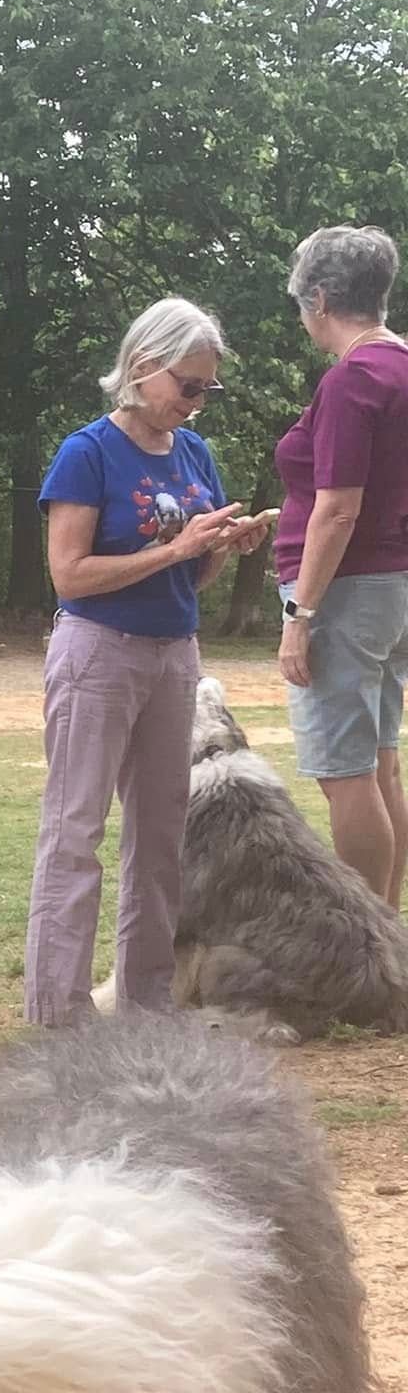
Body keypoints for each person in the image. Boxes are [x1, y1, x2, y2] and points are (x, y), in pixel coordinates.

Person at [23, 298, 272, 1027]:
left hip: (174, 654)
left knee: (162, 837)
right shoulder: (87, 452)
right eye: (187, 386)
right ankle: (59, 1013)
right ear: (140, 367)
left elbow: (186, 579)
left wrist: (221, 549)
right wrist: (175, 547)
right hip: (98, 652)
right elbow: (69, 575)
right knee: (76, 832)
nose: (196, 403)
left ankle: (147, 1002)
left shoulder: (195, 455)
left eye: (207, 390)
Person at [275, 224, 408, 908]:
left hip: (345, 594)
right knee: (381, 763)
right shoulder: (403, 366)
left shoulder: (352, 378)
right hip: (393, 590)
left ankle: (364, 943)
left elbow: (340, 510)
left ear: (320, 299)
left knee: (345, 774)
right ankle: (386, 934)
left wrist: (300, 616)